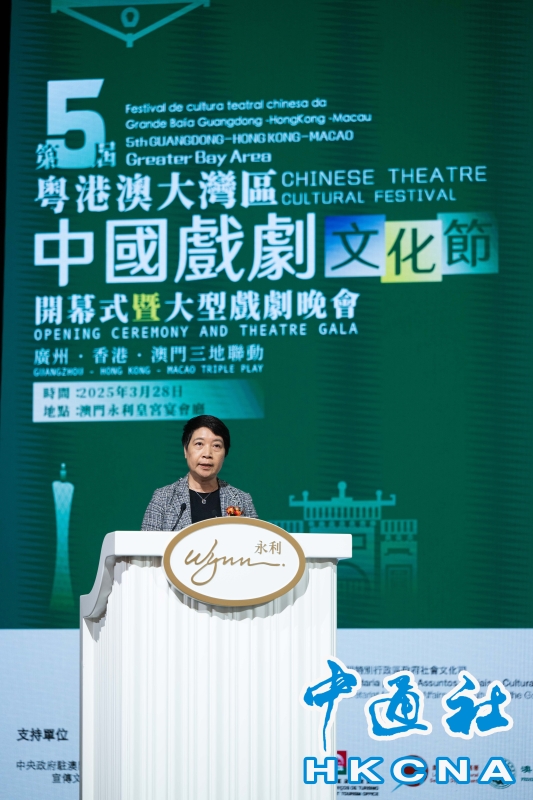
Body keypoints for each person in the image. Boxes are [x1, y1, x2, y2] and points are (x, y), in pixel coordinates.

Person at [141, 414, 258, 531]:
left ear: (225, 454)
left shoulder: (242, 500)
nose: (207, 454)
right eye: (199, 444)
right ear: (185, 450)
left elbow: (256, 540)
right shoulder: (163, 499)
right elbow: (147, 542)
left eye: (216, 446)